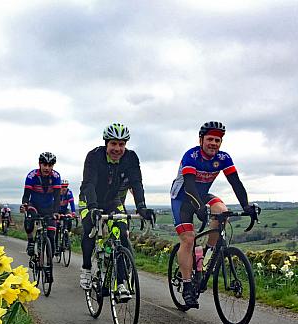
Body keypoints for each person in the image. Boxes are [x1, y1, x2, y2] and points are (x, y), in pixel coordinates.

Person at [170, 121, 258, 308]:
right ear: (201, 140)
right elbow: (190, 185)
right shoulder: (191, 156)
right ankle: (187, 286)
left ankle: (207, 254)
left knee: (222, 211)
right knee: (188, 239)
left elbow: (235, 182)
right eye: (210, 139)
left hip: (202, 196)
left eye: (217, 140)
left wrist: (246, 205)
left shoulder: (224, 158)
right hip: (183, 198)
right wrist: (199, 207)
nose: (213, 143)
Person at [78, 123, 154, 298]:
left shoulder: (131, 158)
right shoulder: (94, 156)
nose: (117, 148)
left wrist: (141, 206)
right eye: (113, 144)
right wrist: (92, 208)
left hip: (113, 200)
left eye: (121, 144)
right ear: (106, 143)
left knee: (120, 232)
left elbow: (136, 183)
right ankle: (87, 269)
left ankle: (120, 283)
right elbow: (89, 183)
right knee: (90, 228)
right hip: (89, 199)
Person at [21, 152, 61, 280]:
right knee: (29, 219)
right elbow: (26, 194)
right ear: (39, 164)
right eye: (44, 164)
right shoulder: (32, 175)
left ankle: (48, 267)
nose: (47, 168)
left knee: (51, 237)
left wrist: (56, 212)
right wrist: (25, 204)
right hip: (35, 205)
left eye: (50, 165)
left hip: (49, 208)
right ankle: (31, 241)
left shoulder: (56, 176)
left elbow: (57, 197)